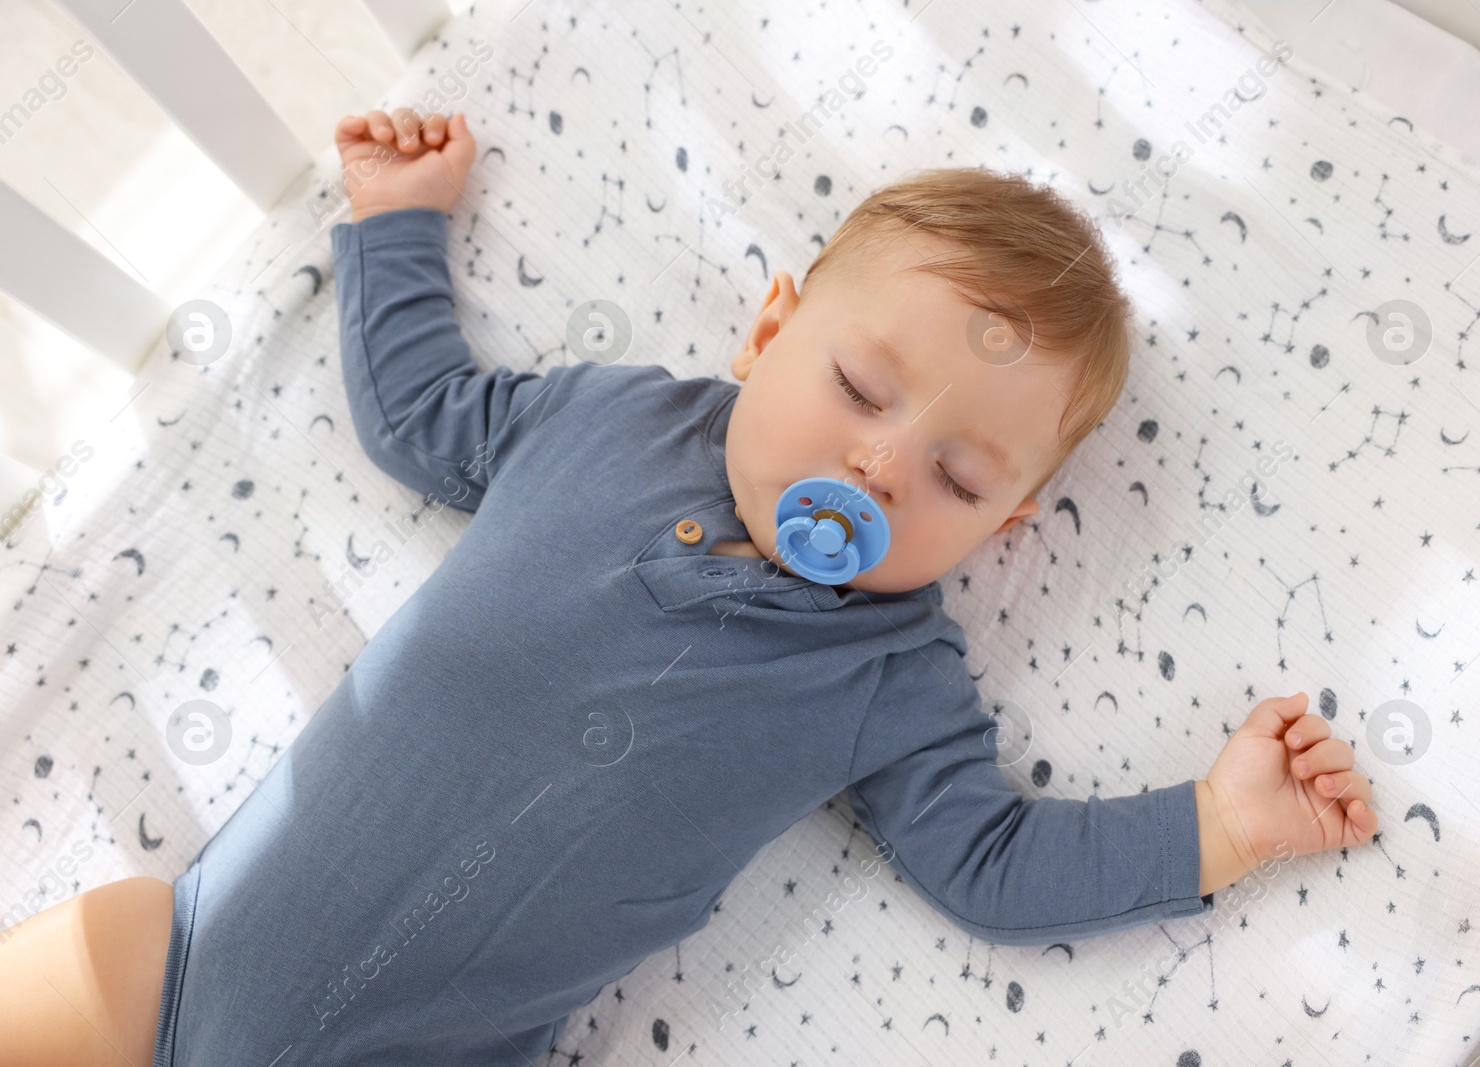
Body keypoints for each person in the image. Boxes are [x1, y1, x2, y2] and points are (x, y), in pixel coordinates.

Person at [0, 107, 1376, 1067]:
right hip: (172, 965)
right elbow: (425, 418)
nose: (881, 463)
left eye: (957, 481)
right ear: (771, 328)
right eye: (856, 387)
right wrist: (397, 228)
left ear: (1003, 532)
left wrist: (1220, 824)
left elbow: (991, 865)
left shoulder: (895, 677)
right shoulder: (604, 422)